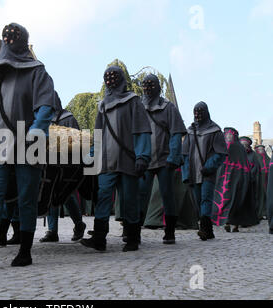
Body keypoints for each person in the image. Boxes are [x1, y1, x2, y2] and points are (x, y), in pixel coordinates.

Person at [0, 23, 56, 268]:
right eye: (7, 39)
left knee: (26, 197)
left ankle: (25, 251)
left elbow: (45, 107)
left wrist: (36, 132)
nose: (9, 42)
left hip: (28, 141)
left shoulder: (38, 72)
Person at [80, 65, 152, 252]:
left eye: (114, 77)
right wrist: (92, 155)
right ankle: (99, 238)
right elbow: (98, 133)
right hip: (107, 160)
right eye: (107, 77)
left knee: (130, 199)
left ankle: (133, 238)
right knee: (103, 196)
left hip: (128, 158)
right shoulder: (102, 104)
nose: (111, 81)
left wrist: (142, 156)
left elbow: (141, 129)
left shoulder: (133, 101)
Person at [136, 74, 187, 245]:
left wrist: (174, 156)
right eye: (145, 85)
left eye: (152, 85)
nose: (148, 88)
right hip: (144, 159)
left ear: (158, 86)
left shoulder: (168, 107)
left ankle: (170, 231)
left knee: (167, 195)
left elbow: (176, 133)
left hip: (164, 159)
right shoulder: (138, 107)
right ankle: (135, 230)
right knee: (141, 195)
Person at [39, 92, 86, 243]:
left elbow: (78, 141)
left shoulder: (68, 118)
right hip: (49, 163)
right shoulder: (43, 119)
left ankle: (79, 224)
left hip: (67, 165)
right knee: (49, 194)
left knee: (67, 195)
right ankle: (52, 231)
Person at [182, 102, 226, 241]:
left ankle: (205, 229)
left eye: (200, 112)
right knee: (198, 200)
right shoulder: (190, 131)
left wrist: (209, 166)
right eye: (195, 112)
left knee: (206, 199)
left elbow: (220, 153)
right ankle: (208, 229)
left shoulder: (214, 130)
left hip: (207, 172)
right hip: (194, 172)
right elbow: (185, 154)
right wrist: (186, 173)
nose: (197, 115)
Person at [211, 128, 258, 233]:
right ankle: (231, 223)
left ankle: (231, 223)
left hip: (231, 179)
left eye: (229, 136)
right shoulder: (235, 147)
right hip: (232, 179)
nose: (228, 138)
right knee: (235, 200)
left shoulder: (235, 148)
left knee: (231, 200)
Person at [240, 137, 264, 224]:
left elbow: (255, 168)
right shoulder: (237, 154)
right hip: (239, 182)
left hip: (250, 182)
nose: (243, 147)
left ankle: (249, 219)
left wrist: (249, 175)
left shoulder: (253, 155)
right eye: (242, 145)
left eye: (245, 145)